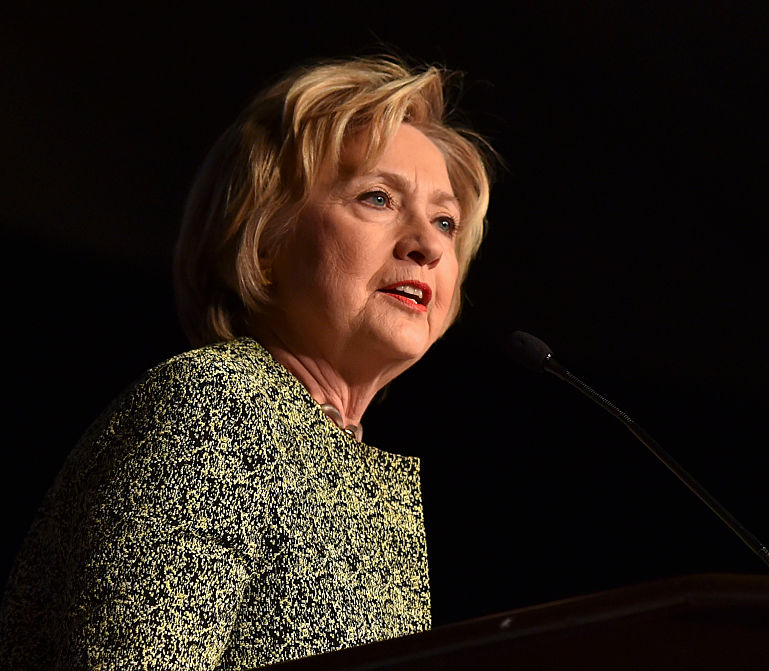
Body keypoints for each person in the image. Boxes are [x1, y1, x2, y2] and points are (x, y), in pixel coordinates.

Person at [0, 55, 493, 669]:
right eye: (376, 197)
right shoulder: (218, 405)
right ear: (264, 242)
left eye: (445, 222)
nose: (426, 245)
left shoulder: (334, 462)